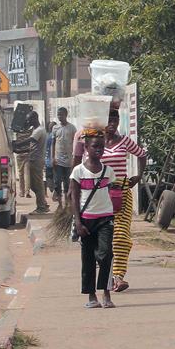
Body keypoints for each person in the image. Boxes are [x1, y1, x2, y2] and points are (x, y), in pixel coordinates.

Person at [100, 109, 146, 292]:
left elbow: (142, 154)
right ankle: (106, 273)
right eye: (109, 119)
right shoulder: (96, 143)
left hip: (122, 192)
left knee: (120, 235)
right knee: (102, 238)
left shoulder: (124, 141)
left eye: (115, 119)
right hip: (100, 193)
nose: (112, 123)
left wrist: (139, 176)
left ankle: (118, 277)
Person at [70, 129, 117, 308]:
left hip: (105, 218)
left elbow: (113, 192)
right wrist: (78, 222)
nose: (99, 150)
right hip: (86, 220)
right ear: (86, 148)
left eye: (101, 147)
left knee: (106, 255)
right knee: (88, 258)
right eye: (95, 146)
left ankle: (106, 293)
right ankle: (91, 296)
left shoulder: (108, 171)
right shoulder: (78, 171)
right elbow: (74, 197)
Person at [13, 111, 50, 213]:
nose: (28, 122)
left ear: (34, 119)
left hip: (37, 160)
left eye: (29, 120)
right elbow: (32, 148)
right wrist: (19, 150)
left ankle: (41, 207)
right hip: (34, 158)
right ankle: (43, 203)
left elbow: (30, 141)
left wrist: (17, 144)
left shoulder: (39, 130)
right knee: (34, 185)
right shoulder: (36, 129)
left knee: (37, 184)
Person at [50, 107, 77, 205]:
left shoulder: (72, 128)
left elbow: (75, 143)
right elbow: (53, 143)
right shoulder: (55, 128)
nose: (60, 117)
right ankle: (60, 203)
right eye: (58, 115)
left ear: (66, 115)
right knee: (57, 182)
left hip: (68, 161)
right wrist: (52, 157)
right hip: (58, 161)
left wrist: (75, 157)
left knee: (67, 183)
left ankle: (67, 204)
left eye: (61, 114)